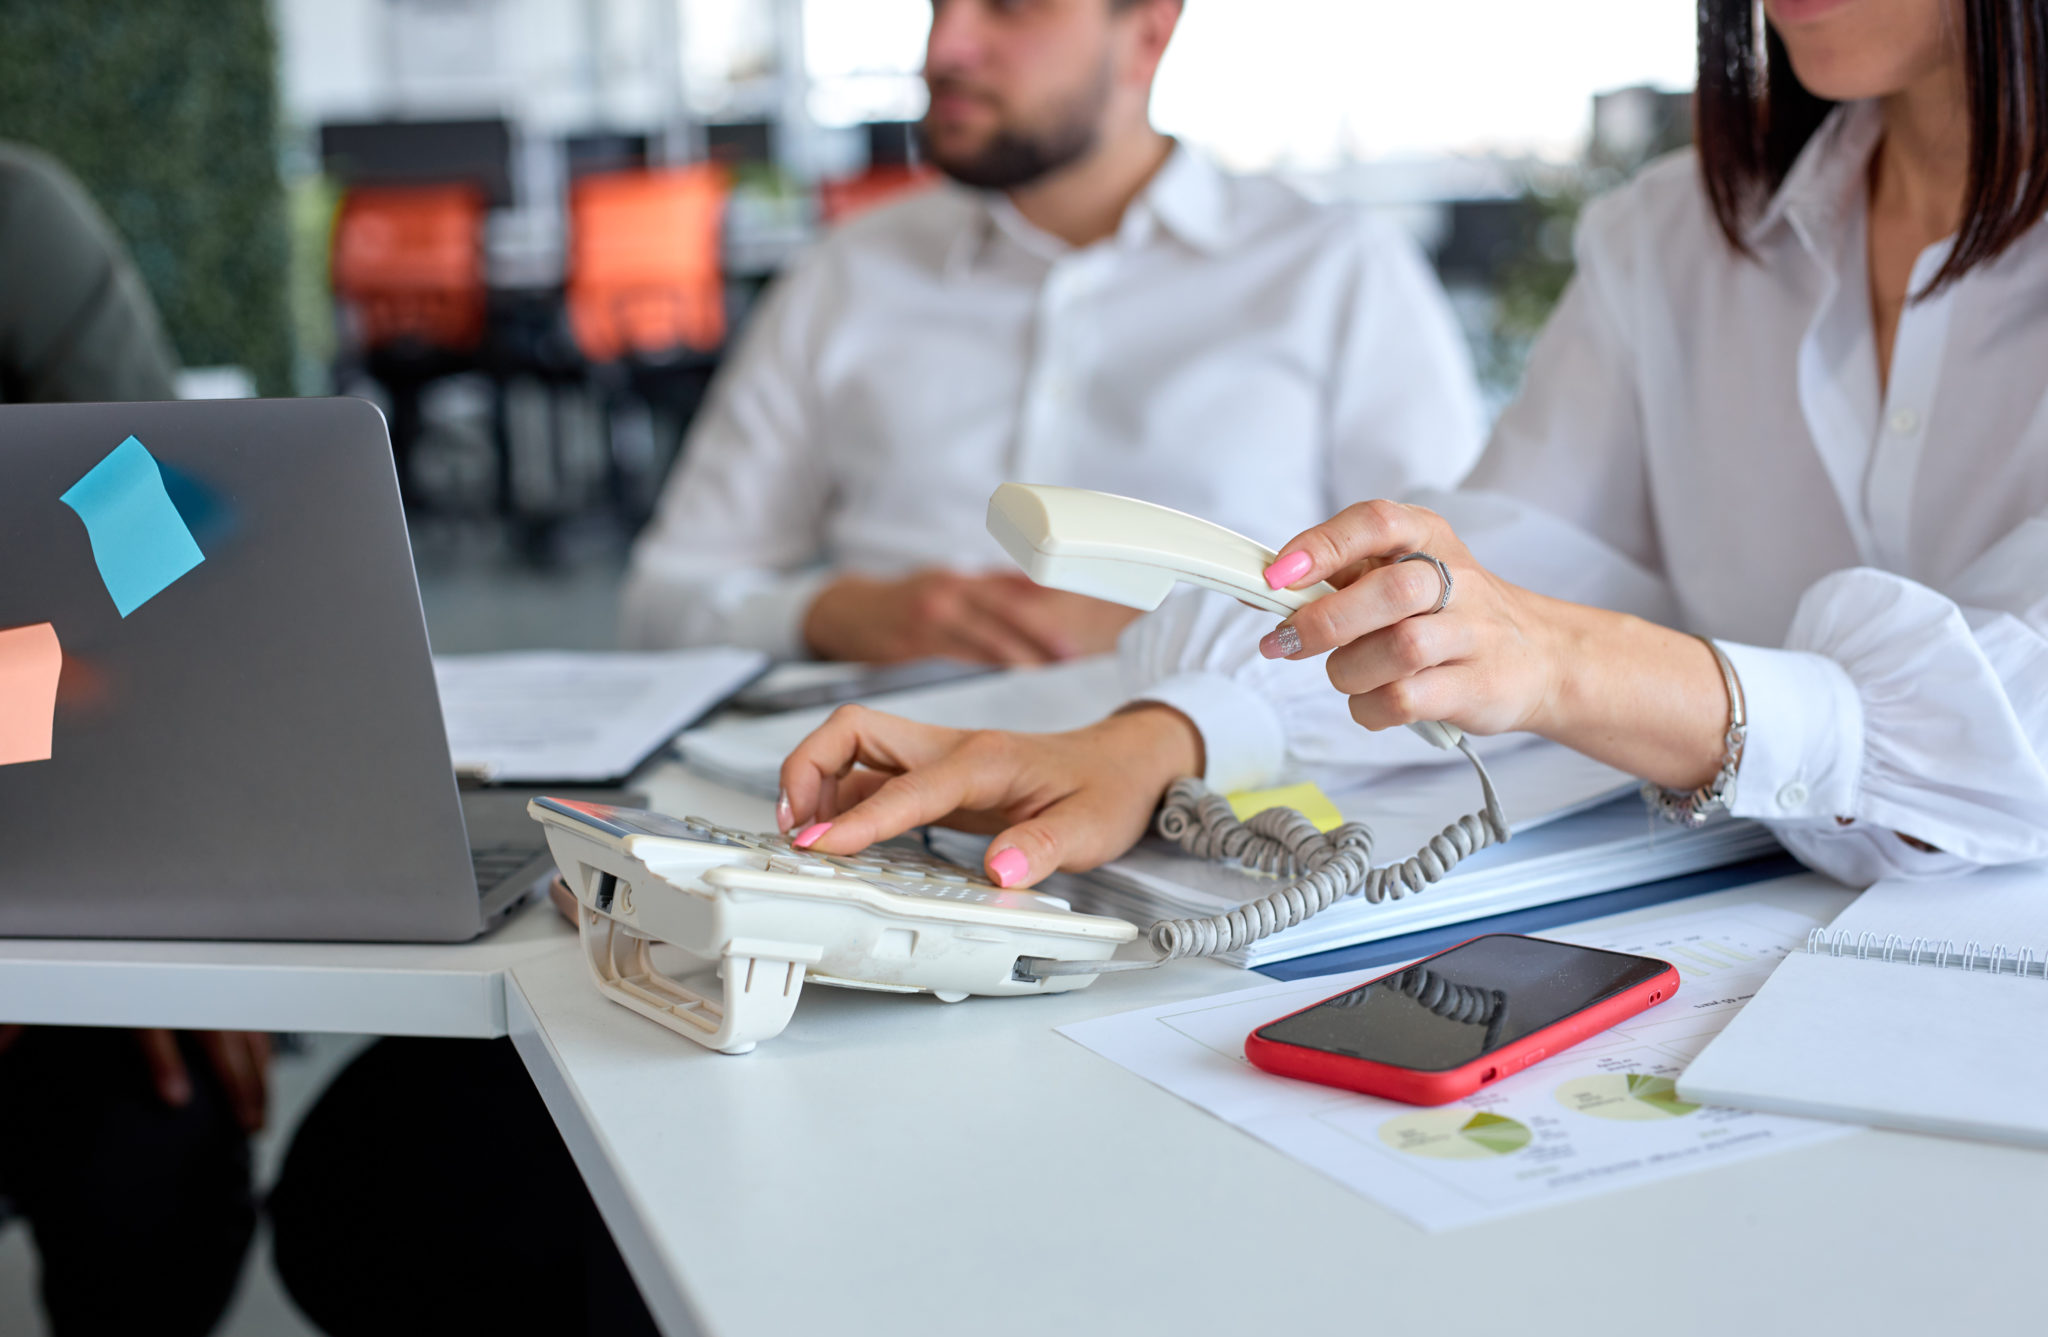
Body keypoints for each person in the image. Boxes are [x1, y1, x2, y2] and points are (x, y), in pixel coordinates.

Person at [772, 0, 2048, 895]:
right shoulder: (1670, 240)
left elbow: (2011, 736)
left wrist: (1568, 665)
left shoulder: (1334, 262)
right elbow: (1498, 568)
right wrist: (1154, 739)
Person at [622, 0, 1484, 666]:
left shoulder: (1336, 272)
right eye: (936, 6)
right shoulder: (845, 274)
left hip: (1231, 786)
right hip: (869, 787)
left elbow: (1455, 612)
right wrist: (829, 614)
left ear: (1147, 34)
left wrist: (1174, 632)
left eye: (1009, 5)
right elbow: (661, 599)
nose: (943, 50)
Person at [0, 140, 268, 1337]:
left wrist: (157, 883)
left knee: (151, 1147)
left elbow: (160, 597)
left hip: (41, 838)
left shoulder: (17, 228)